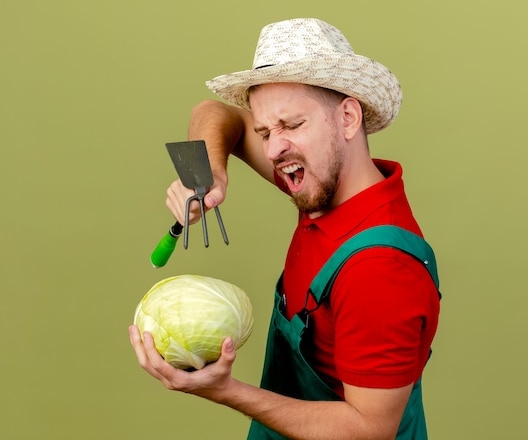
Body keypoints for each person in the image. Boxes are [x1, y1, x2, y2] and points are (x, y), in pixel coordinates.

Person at [129, 18, 441, 440]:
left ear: (348, 118)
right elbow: (213, 112)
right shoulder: (322, 184)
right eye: (264, 131)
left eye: (292, 126)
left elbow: (370, 430)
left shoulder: (380, 267)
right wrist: (208, 173)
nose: (273, 149)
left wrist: (225, 391)